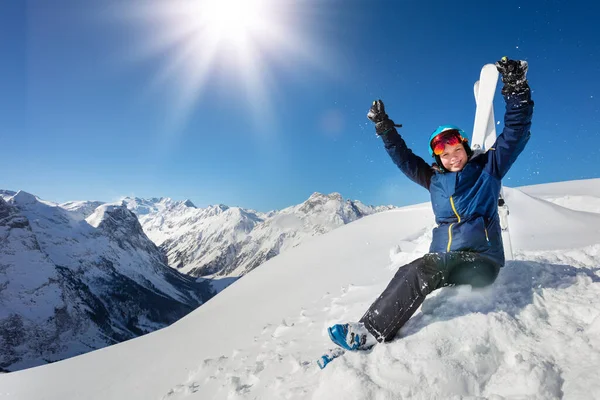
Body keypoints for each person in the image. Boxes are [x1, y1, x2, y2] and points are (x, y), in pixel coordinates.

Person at [327, 57, 534, 351]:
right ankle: (364, 329)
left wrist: (516, 89)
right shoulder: (434, 181)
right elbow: (404, 158)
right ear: (438, 159)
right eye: (445, 154)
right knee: (409, 270)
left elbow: (515, 132)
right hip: (448, 261)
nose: (453, 157)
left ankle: (369, 333)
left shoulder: (488, 169)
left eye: (456, 149)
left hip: (480, 261)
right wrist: (385, 129)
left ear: (464, 147)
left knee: (422, 269)